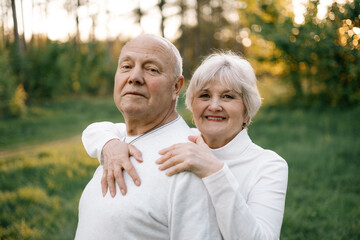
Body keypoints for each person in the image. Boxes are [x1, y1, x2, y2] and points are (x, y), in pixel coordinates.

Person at [83, 51, 288, 239]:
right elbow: (98, 130)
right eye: (205, 95)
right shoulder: (182, 138)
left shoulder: (268, 165)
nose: (214, 106)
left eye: (228, 96)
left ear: (247, 109)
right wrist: (109, 145)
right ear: (192, 103)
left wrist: (215, 170)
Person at [75, 34, 222, 240]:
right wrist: (108, 144)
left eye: (152, 69)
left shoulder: (186, 164)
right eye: (126, 66)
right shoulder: (118, 140)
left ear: (176, 87)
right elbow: (95, 130)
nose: (134, 77)